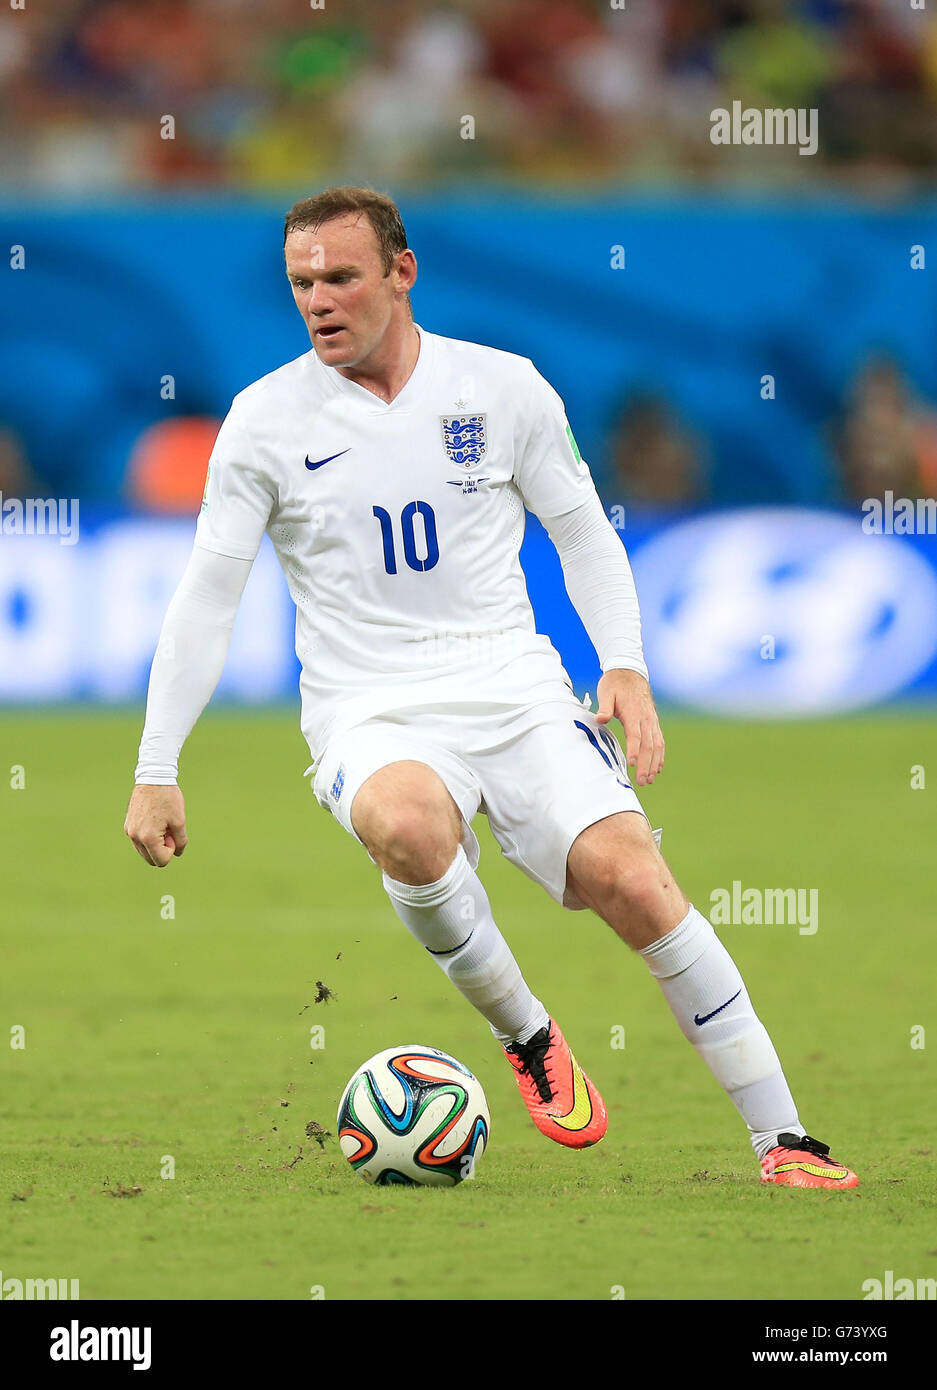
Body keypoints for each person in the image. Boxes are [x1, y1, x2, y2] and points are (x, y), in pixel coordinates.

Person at [125, 185, 857, 1189]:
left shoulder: (502, 388)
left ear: (401, 271)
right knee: (410, 825)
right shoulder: (262, 421)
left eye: (341, 276)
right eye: (301, 282)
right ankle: (527, 1033)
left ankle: (785, 1141)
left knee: (635, 881)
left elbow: (582, 530)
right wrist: (157, 764)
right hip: (367, 707)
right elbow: (207, 594)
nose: (319, 301)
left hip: (514, 684)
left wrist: (624, 664)